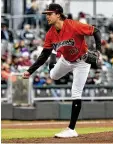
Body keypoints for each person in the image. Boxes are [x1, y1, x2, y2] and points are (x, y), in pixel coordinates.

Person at [22, 3, 101, 138]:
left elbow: (96, 31)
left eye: (49, 14)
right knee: (53, 75)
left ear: (58, 14)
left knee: (76, 93)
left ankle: (71, 129)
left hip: (82, 62)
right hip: (65, 60)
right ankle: (55, 54)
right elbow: (43, 55)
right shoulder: (50, 34)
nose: (47, 16)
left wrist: (98, 50)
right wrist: (30, 71)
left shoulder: (74, 25)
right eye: (46, 14)